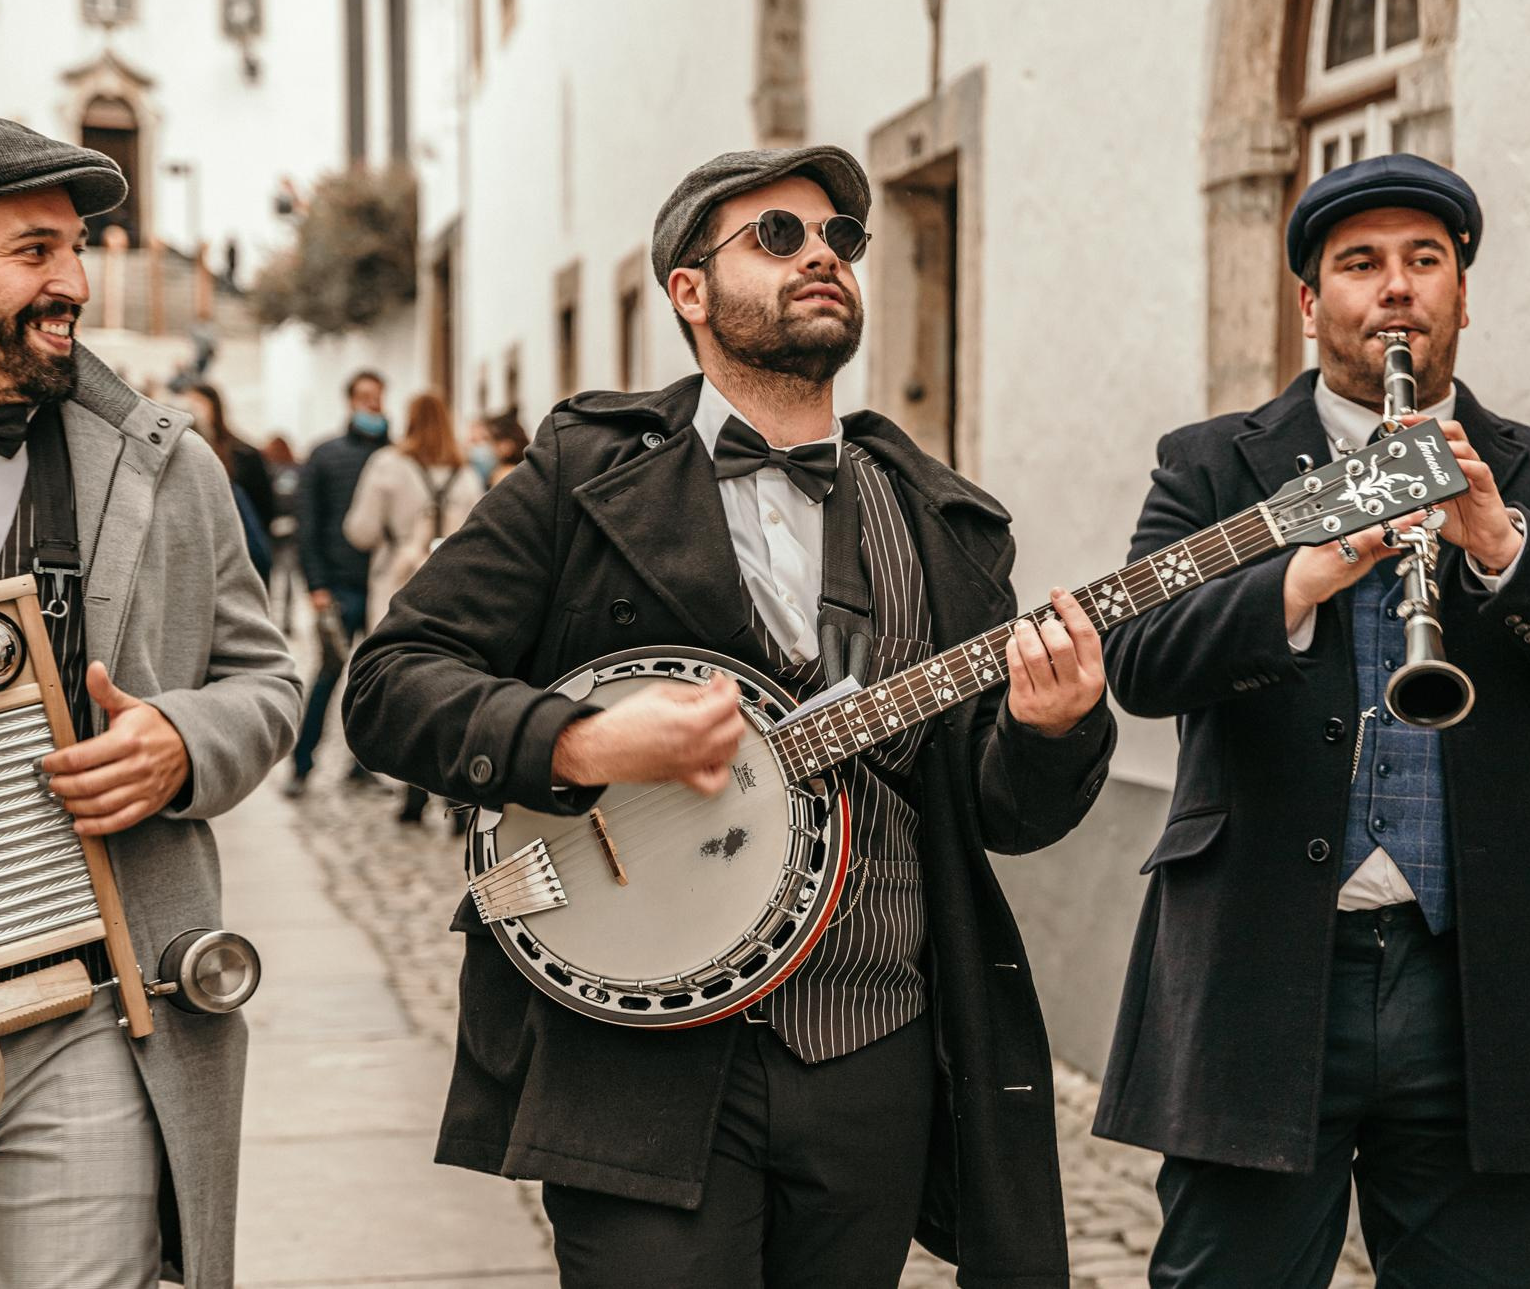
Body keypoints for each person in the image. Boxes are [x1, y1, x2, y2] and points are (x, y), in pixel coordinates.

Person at [342, 146, 1115, 1287]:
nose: (820, 256)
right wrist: (579, 741)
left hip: (868, 1041)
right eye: (777, 235)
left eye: (837, 240)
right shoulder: (579, 474)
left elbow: (990, 805)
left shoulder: (944, 527)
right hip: (639, 1054)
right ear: (687, 291)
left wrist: (1051, 729)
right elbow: (389, 679)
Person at [1093, 154, 1530, 1287]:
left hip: (1480, 978)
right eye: (1358, 265)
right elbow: (1136, 660)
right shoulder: (1215, 464)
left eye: (1425, 261)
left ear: (1462, 295)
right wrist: (1297, 579)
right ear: (1310, 305)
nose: (1395, 288)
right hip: (1259, 964)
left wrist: (1501, 544)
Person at [0, 111, 299, 1288]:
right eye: (35, 250)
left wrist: (179, 742)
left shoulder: (161, 458)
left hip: (92, 1005)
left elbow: (266, 682)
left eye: (78, 249)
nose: (78, 282)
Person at [343, 389, 484, 823]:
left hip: (397, 584)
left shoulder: (388, 465)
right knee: (455, 683)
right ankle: (458, 796)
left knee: (404, 683)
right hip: (457, 587)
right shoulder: (465, 472)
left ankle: (413, 792)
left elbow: (360, 531)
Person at [286, 368, 387, 796]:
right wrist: (316, 584)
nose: (372, 405)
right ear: (350, 401)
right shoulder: (324, 455)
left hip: (384, 586)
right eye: (364, 396)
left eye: (377, 397)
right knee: (328, 672)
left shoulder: (394, 456)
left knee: (376, 681)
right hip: (339, 584)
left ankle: (365, 762)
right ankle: (302, 763)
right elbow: (307, 525)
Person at [184, 381, 276, 578]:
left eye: (198, 404)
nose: (192, 411)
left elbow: (264, 509)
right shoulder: (176, 456)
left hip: (237, 550)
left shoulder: (244, 454)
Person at [261, 433, 303, 631]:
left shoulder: (270, 470)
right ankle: (284, 618)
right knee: (286, 577)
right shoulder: (295, 470)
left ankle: (275, 617)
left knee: (275, 575)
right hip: (290, 531)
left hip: (275, 532)